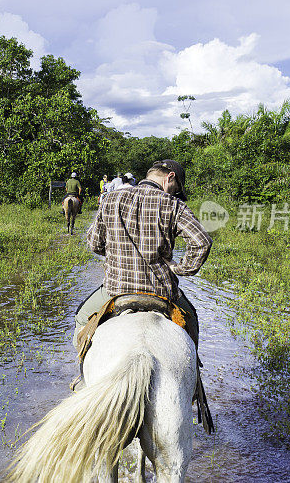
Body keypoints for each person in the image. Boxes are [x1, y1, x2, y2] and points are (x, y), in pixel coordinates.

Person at [73, 159, 214, 430]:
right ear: (169, 178)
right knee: (192, 319)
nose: (174, 193)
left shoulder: (111, 199)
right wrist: (182, 268)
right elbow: (202, 242)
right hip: (162, 291)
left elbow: (94, 243)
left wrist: (117, 251)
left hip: (116, 291)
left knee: (81, 318)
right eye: (175, 188)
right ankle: (193, 385)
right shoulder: (173, 205)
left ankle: (83, 378)